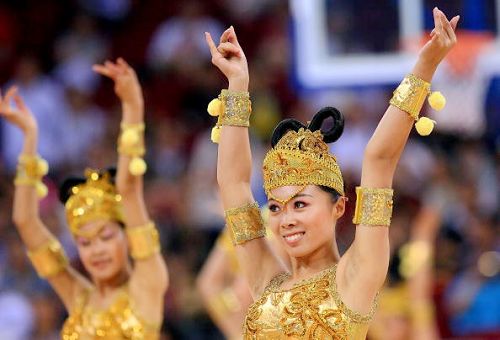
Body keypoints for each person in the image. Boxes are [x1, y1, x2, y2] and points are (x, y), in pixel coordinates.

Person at [204, 7, 458, 339]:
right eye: (277, 208)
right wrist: (237, 85)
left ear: (338, 208)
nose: (285, 219)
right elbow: (233, 184)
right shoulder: (266, 283)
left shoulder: (356, 276)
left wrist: (425, 66)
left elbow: (378, 160)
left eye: (300, 205)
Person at [0, 58, 168, 339]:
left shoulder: (147, 284)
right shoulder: (78, 296)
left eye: (106, 236)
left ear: (127, 235)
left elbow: (128, 189)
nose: (97, 250)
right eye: (85, 243)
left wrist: (132, 107)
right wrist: (30, 139)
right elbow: (25, 221)